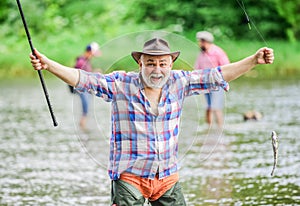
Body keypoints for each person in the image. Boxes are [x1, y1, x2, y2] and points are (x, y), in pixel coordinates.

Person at [29, 38, 274, 205]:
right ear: (140, 63)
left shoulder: (180, 82)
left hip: (167, 177)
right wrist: (49, 65)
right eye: (150, 63)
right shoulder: (121, 84)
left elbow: (217, 76)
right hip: (130, 179)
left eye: (162, 63)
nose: (156, 69)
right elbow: (83, 79)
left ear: (170, 65)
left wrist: (253, 60)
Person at [194, 31, 230, 129]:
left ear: (206, 41)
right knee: (208, 107)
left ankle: (220, 129)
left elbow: (226, 67)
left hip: (217, 84)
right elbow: (197, 68)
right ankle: (209, 129)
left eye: (200, 41)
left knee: (216, 107)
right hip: (205, 84)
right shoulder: (201, 54)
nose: (199, 44)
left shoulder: (217, 52)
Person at [73, 42, 102, 130]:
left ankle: (83, 127)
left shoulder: (86, 60)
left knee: (87, 110)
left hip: (86, 89)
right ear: (89, 52)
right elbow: (80, 76)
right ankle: (82, 127)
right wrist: (94, 73)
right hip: (82, 90)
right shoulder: (81, 62)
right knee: (85, 110)